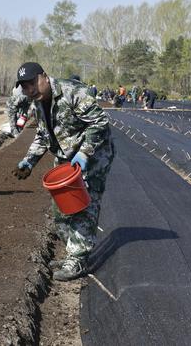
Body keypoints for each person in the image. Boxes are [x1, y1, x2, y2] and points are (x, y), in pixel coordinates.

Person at [11, 62, 114, 281]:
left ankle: (77, 260)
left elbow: (100, 123)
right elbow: (42, 135)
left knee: (84, 205)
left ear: (44, 77)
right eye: (25, 87)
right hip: (66, 155)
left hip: (94, 154)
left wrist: (85, 153)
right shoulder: (37, 103)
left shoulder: (73, 92)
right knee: (61, 208)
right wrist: (29, 161)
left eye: (32, 83)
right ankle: (72, 252)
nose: (30, 90)